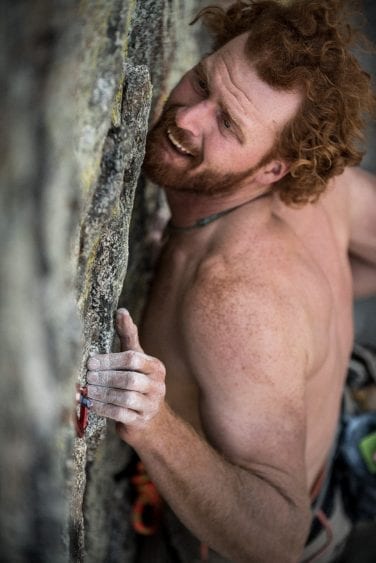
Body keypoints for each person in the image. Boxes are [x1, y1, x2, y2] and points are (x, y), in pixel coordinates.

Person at [86, 0, 376, 561]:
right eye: (202, 83)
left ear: (273, 169)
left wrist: (154, 424)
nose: (187, 119)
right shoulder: (327, 189)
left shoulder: (233, 302)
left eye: (227, 124)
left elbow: (278, 539)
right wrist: (314, 326)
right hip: (305, 413)